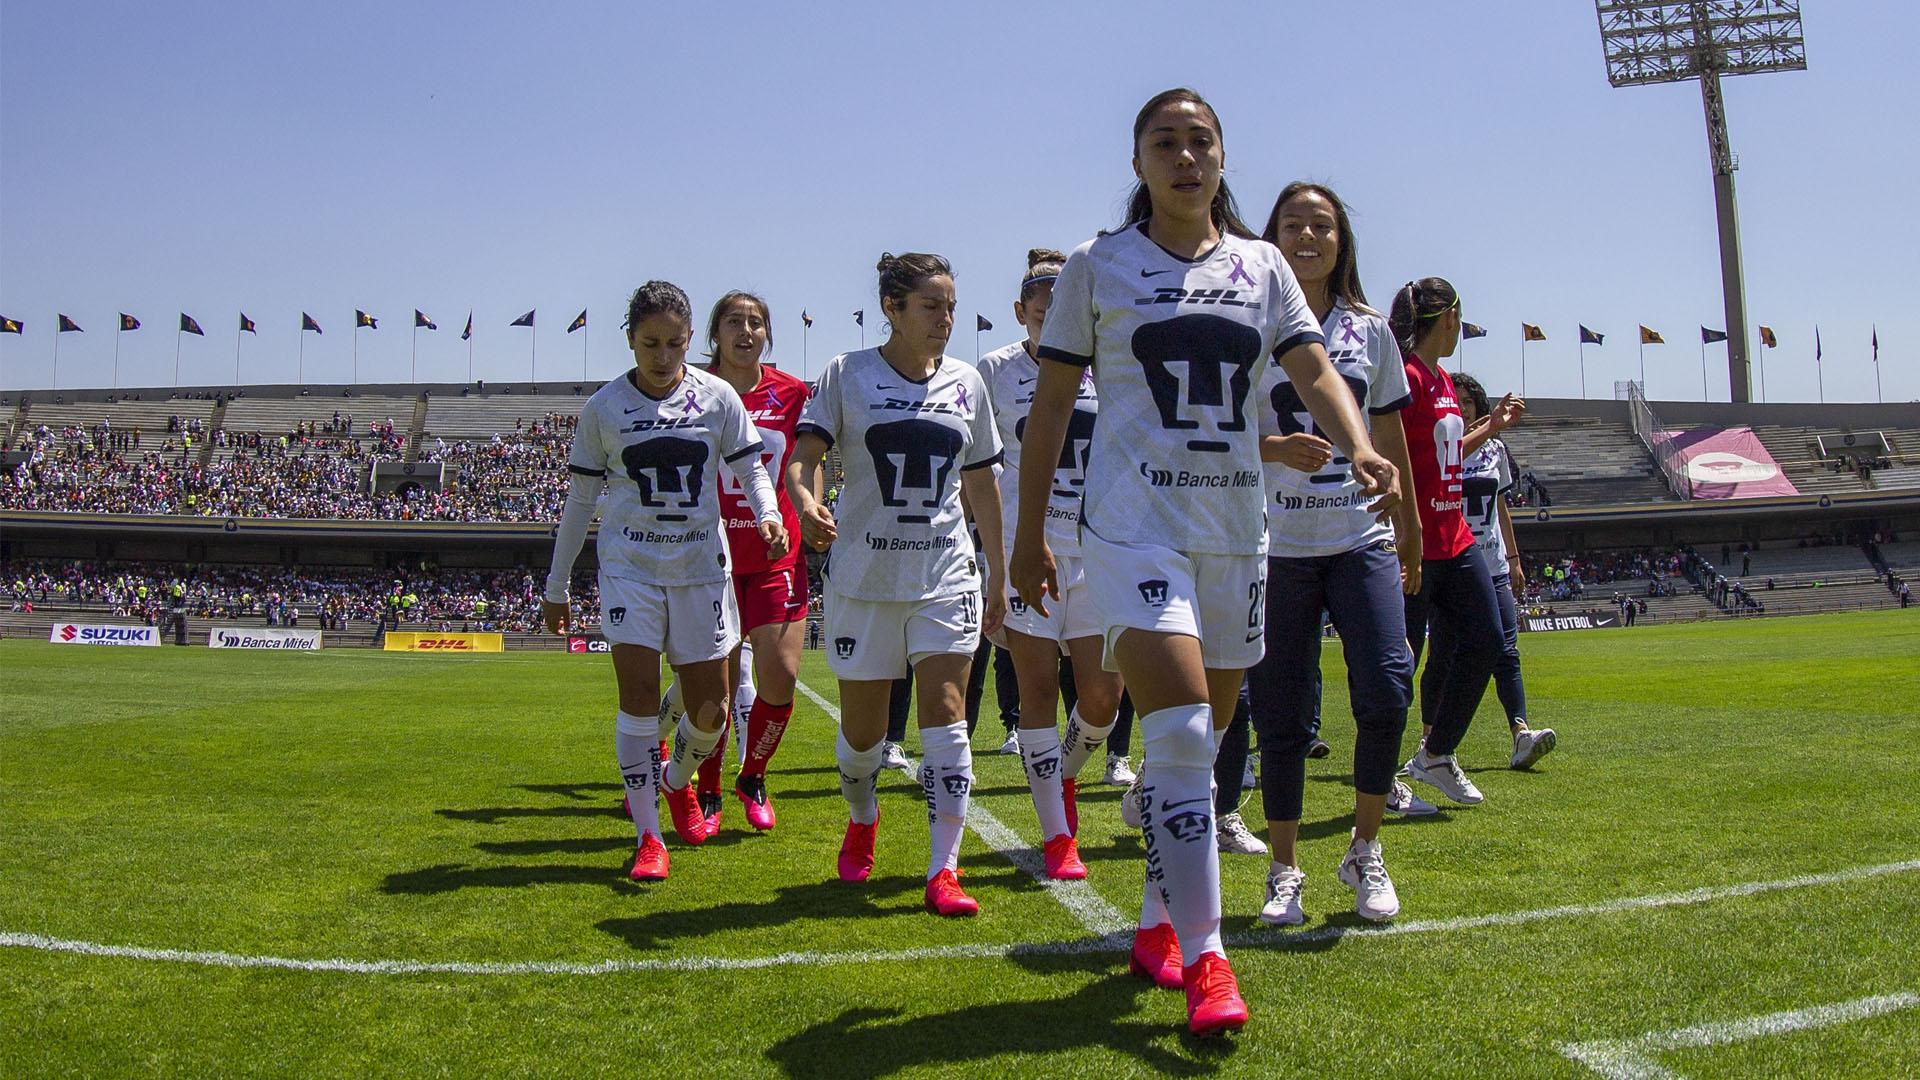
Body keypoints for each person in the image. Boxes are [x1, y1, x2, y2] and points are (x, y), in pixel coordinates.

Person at [1012, 88, 1398, 1036]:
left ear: (1223, 157)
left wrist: (1359, 445)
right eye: (1165, 143)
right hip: (1131, 527)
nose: (1185, 157)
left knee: (1202, 741)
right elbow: (1052, 409)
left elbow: (1313, 369)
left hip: (1234, 531)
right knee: (1184, 732)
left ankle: (1157, 918)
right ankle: (1209, 958)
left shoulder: (1263, 267)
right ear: (1137, 162)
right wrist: (1026, 536)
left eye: (1201, 141)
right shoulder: (1098, 266)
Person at [542, 281, 788, 882]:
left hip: (701, 569)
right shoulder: (604, 408)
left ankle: (677, 782)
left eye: (674, 343)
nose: (662, 356)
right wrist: (556, 585)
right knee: (638, 698)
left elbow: (752, 468)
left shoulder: (717, 397)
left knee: (712, 710)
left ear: (689, 340)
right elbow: (580, 503)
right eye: (649, 343)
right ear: (630, 339)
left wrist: (769, 514)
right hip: (631, 570)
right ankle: (649, 837)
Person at [787, 252, 1008, 918]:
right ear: (893, 308)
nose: (946, 319)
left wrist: (998, 570)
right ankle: (863, 817)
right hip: (863, 580)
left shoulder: (968, 383)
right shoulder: (846, 374)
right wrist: (806, 502)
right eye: (931, 306)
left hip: (944, 574)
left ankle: (945, 869)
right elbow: (805, 457)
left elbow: (982, 483)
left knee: (947, 713)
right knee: (862, 739)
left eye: (951, 307)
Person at [1243, 181, 1424, 927]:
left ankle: (1364, 848)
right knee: (1281, 712)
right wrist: (1274, 449)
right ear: (1271, 238)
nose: (1308, 238)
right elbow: (1211, 432)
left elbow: (1389, 435)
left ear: (1342, 240)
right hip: (1276, 543)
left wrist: (1409, 528)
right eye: (1293, 225)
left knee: (1387, 688)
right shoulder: (1247, 322)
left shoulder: (1370, 330)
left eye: (1322, 225)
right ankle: (1284, 867)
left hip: (1359, 536)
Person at [976, 247, 1125, 880]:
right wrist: (993, 558)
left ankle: (1061, 774)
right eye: (1042, 313)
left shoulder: (1108, 363)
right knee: (1036, 690)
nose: (1055, 322)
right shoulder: (994, 370)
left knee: (1103, 697)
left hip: (1095, 550)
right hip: (1026, 547)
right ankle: (1057, 833)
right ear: (1023, 313)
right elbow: (976, 465)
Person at [660, 292, 813, 833]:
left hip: (775, 554)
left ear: (767, 333)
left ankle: (753, 775)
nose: (746, 331)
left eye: (756, 323)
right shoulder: (692, 390)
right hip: (711, 561)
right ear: (714, 334)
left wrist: (810, 507)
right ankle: (707, 787)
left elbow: (805, 460)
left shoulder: (793, 393)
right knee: (715, 691)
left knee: (782, 677)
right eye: (734, 322)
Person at [1391, 277, 1524, 806]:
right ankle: (1380, 778)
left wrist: (1489, 428)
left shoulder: (1443, 378)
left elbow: (1444, 453)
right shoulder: (1405, 376)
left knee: (1489, 638)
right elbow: (1393, 454)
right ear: (1448, 318)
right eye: (1459, 318)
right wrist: (1403, 533)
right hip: (1415, 543)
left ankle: (1436, 754)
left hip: (1456, 538)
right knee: (1399, 666)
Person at [1428, 371, 1556, 769]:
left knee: (1506, 649)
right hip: (1451, 564)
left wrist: (1514, 560)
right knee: (1441, 656)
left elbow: (1500, 506)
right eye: (1456, 402)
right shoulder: (1441, 446)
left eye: (1469, 402)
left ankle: (1520, 733)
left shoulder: (1495, 450)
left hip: (1493, 564)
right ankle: (1430, 742)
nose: (1463, 409)